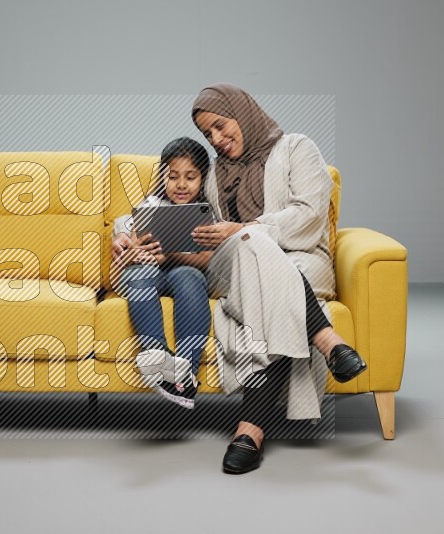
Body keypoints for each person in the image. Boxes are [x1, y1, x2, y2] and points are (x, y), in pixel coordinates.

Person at [111, 83, 367, 474]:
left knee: (259, 264)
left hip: (299, 259)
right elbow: (200, 234)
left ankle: (250, 430)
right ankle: (327, 340)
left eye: (219, 125)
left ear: (241, 110)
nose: (216, 138)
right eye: (207, 134)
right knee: (247, 244)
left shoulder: (297, 148)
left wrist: (244, 229)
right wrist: (150, 242)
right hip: (231, 267)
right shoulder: (213, 176)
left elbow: (310, 217)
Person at [110, 137, 214, 409]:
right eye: (173, 176)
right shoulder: (151, 205)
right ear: (162, 177)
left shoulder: (206, 211)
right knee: (136, 276)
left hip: (187, 271)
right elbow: (134, 241)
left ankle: (185, 374)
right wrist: (137, 249)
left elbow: (207, 259)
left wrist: (170, 252)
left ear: (202, 179)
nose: (181, 184)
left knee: (188, 278)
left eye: (190, 177)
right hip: (151, 271)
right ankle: (158, 355)